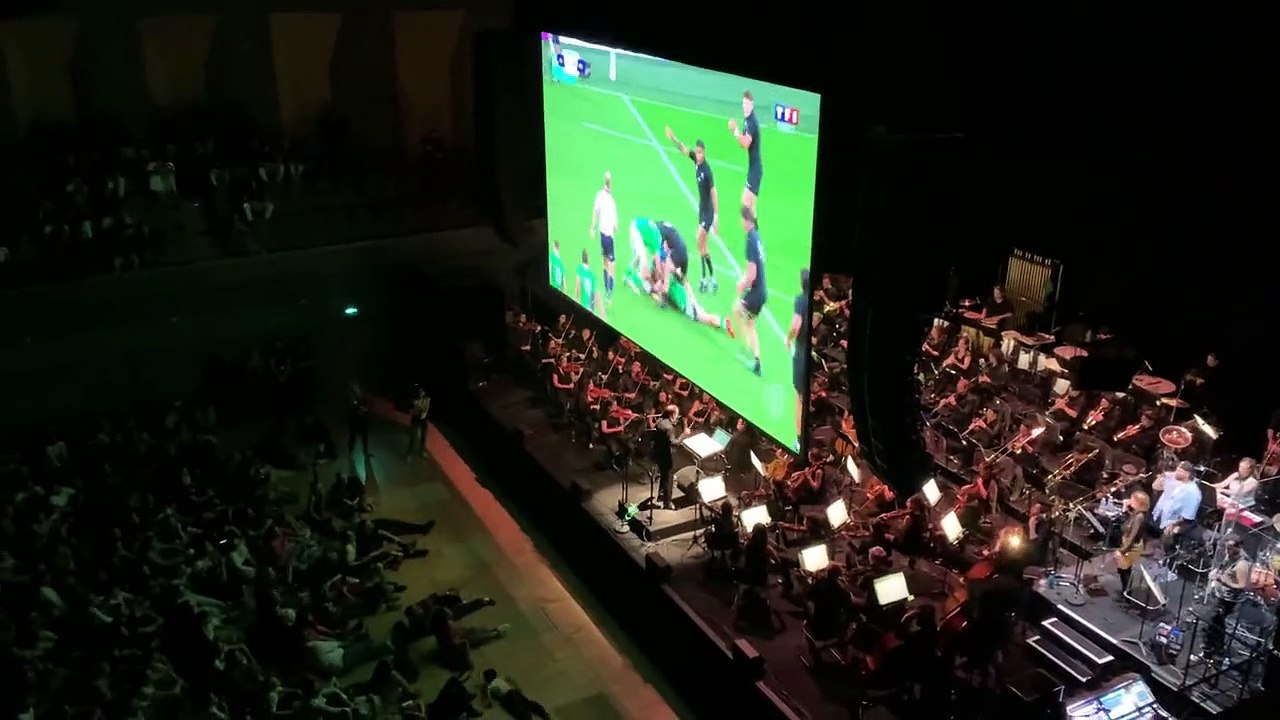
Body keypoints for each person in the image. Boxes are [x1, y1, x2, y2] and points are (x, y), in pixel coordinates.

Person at [664, 127, 719, 292]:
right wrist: (673, 138)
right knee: (702, 247)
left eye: (701, 153)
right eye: (698, 152)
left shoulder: (707, 171)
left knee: (699, 241)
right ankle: (709, 278)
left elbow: (714, 192)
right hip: (702, 210)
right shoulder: (696, 161)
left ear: (705, 153)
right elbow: (684, 149)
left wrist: (716, 215)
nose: (699, 155)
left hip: (708, 213)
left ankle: (705, 278)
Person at [1194, 536, 1251, 667]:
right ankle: (1213, 653)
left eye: (1230, 548)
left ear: (1238, 547)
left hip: (1228, 601)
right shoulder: (1230, 556)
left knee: (1208, 623)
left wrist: (1221, 579)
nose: (1227, 551)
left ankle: (1213, 653)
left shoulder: (1242, 564)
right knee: (1216, 626)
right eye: (1226, 548)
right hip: (1220, 596)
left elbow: (1242, 586)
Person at [734, 206, 767, 376]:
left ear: (746, 221)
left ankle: (744, 347)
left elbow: (752, 274)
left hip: (755, 292)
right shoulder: (758, 237)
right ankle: (756, 360)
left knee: (737, 311)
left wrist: (742, 284)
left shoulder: (750, 240)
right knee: (750, 323)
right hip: (762, 292)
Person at [1151, 462, 1203, 565]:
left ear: (1187, 474)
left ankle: (1166, 561)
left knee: (1168, 535)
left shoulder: (1193, 492)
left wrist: (1173, 524)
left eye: (1179, 471)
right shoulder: (1174, 479)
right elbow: (1155, 487)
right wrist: (1162, 477)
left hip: (1178, 522)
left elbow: (1187, 518)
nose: (1176, 472)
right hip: (1160, 515)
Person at [728, 89, 763, 226]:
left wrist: (735, 131)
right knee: (751, 208)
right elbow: (742, 143)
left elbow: (746, 143)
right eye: (743, 103)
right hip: (754, 168)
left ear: (752, 104)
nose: (745, 106)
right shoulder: (747, 120)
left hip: (755, 170)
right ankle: (756, 240)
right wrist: (736, 133)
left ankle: (753, 237)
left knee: (745, 205)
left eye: (747, 103)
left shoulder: (752, 122)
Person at [786, 269, 812, 452]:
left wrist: (788, 338)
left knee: (799, 399)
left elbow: (796, 325)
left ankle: (799, 440)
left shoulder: (801, 300)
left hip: (802, 354)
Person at [1114, 490, 1151, 596]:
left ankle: (1127, 593)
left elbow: (1132, 536)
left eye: (1132, 499)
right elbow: (1125, 526)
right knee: (1123, 569)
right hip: (1129, 544)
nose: (1129, 500)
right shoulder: (1136, 513)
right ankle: (1126, 591)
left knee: (1124, 569)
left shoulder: (1139, 517)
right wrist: (1126, 510)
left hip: (1132, 547)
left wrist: (1122, 551)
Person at [589, 171, 618, 303]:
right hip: (608, 235)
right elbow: (616, 227)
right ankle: (609, 292)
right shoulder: (611, 201)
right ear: (610, 185)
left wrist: (592, 228)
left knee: (605, 261)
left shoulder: (600, 196)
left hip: (602, 233)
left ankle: (607, 288)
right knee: (611, 264)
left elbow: (595, 212)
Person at [480, 668, 552, 720]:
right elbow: (511, 680)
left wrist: (488, 703)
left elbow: (486, 701)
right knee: (528, 704)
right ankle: (543, 714)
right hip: (513, 692)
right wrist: (518, 688)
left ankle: (530, 717)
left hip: (506, 700)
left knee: (519, 712)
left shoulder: (488, 687)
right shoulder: (501, 678)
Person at [652, 405, 680, 509]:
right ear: (672, 415)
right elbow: (674, 443)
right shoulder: (669, 427)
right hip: (666, 455)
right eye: (676, 415)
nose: (677, 417)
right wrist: (684, 435)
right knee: (668, 477)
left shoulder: (659, 421)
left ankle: (661, 496)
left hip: (657, 452)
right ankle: (667, 502)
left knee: (663, 475)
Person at [573, 249, 605, 319]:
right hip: (591, 307)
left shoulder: (579, 269)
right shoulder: (592, 275)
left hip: (583, 305)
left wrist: (576, 299)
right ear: (588, 260)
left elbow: (577, 286)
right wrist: (602, 312)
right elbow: (596, 293)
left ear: (582, 259)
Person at [407, 385, 430, 460]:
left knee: (423, 436)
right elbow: (410, 411)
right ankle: (409, 453)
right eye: (420, 391)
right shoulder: (413, 399)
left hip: (423, 420)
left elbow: (425, 411)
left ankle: (422, 451)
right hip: (415, 419)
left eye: (422, 391)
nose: (421, 392)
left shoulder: (427, 399)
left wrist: (421, 410)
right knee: (413, 436)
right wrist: (415, 409)